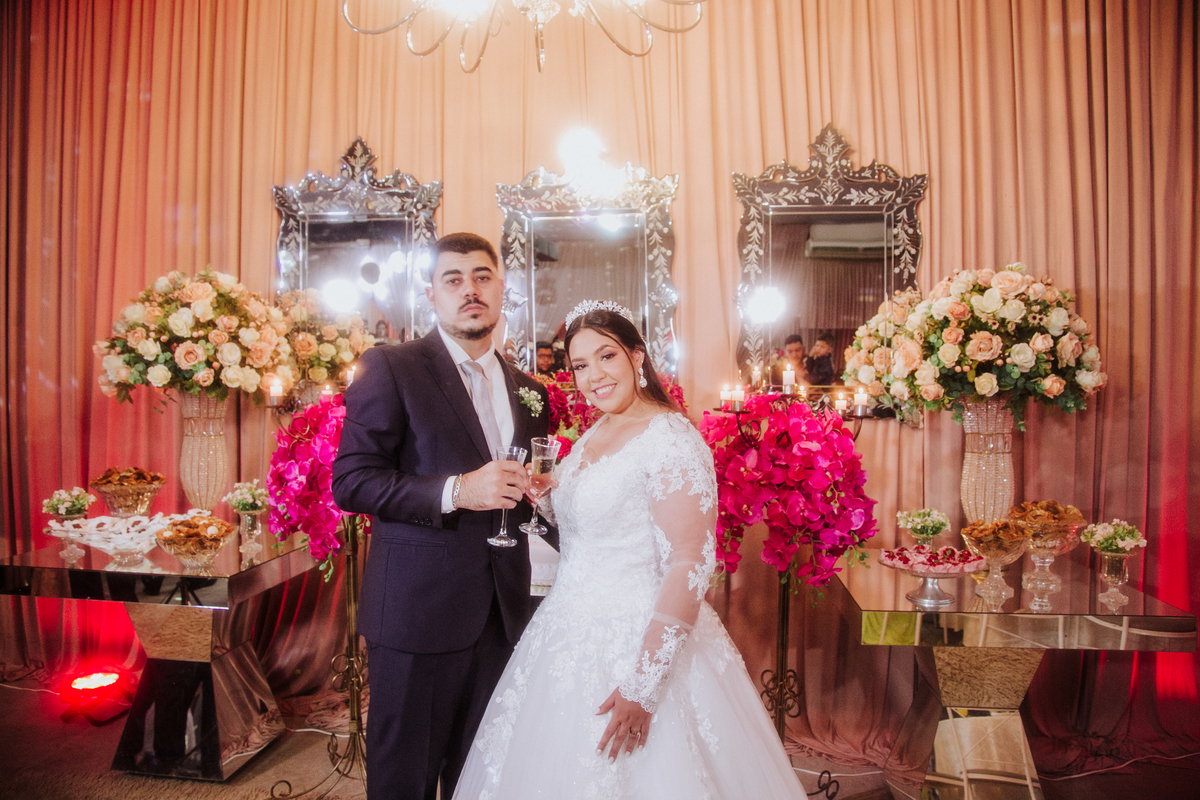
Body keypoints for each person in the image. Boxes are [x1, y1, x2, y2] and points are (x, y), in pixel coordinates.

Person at [452, 301, 805, 799]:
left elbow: (690, 562)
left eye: (606, 356)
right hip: (565, 632)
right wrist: (548, 496)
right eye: (580, 365)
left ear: (637, 356)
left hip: (638, 638)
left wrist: (643, 684)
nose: (593, 376)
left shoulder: (671, 439)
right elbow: (598, 525)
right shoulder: (599, 429)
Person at [331, 232, 552, 800]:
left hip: (502, 615)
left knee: (479, 782)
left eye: (482, 277)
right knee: (402, 782)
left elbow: (527, 493)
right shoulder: (392, 367)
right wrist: (458, 490)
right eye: (452, 279)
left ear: (501, 289)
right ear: (431, 294)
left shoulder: (531, 390)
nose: (469, 290)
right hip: (416, 615)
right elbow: (352, 481)